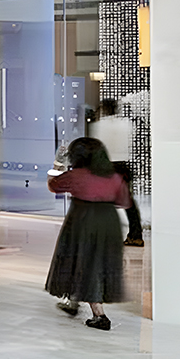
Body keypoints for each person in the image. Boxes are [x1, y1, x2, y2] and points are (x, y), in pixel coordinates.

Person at [46, 136, 131, 331]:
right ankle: (74, 303)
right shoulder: (114, 177)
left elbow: (53, 185)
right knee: (95, 263)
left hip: (83, 220)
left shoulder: (76, 175)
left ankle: (100, 316)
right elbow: (124, 202)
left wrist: (58, 163)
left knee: (84, 262)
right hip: (109, 222)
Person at [90, 98, 142, 246]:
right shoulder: (126, 124)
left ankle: (102, 235)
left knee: (102, 203)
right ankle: (136, 234)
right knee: (129, 204)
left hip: (106, 167)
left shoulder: (98, 126)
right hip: (123, 166)